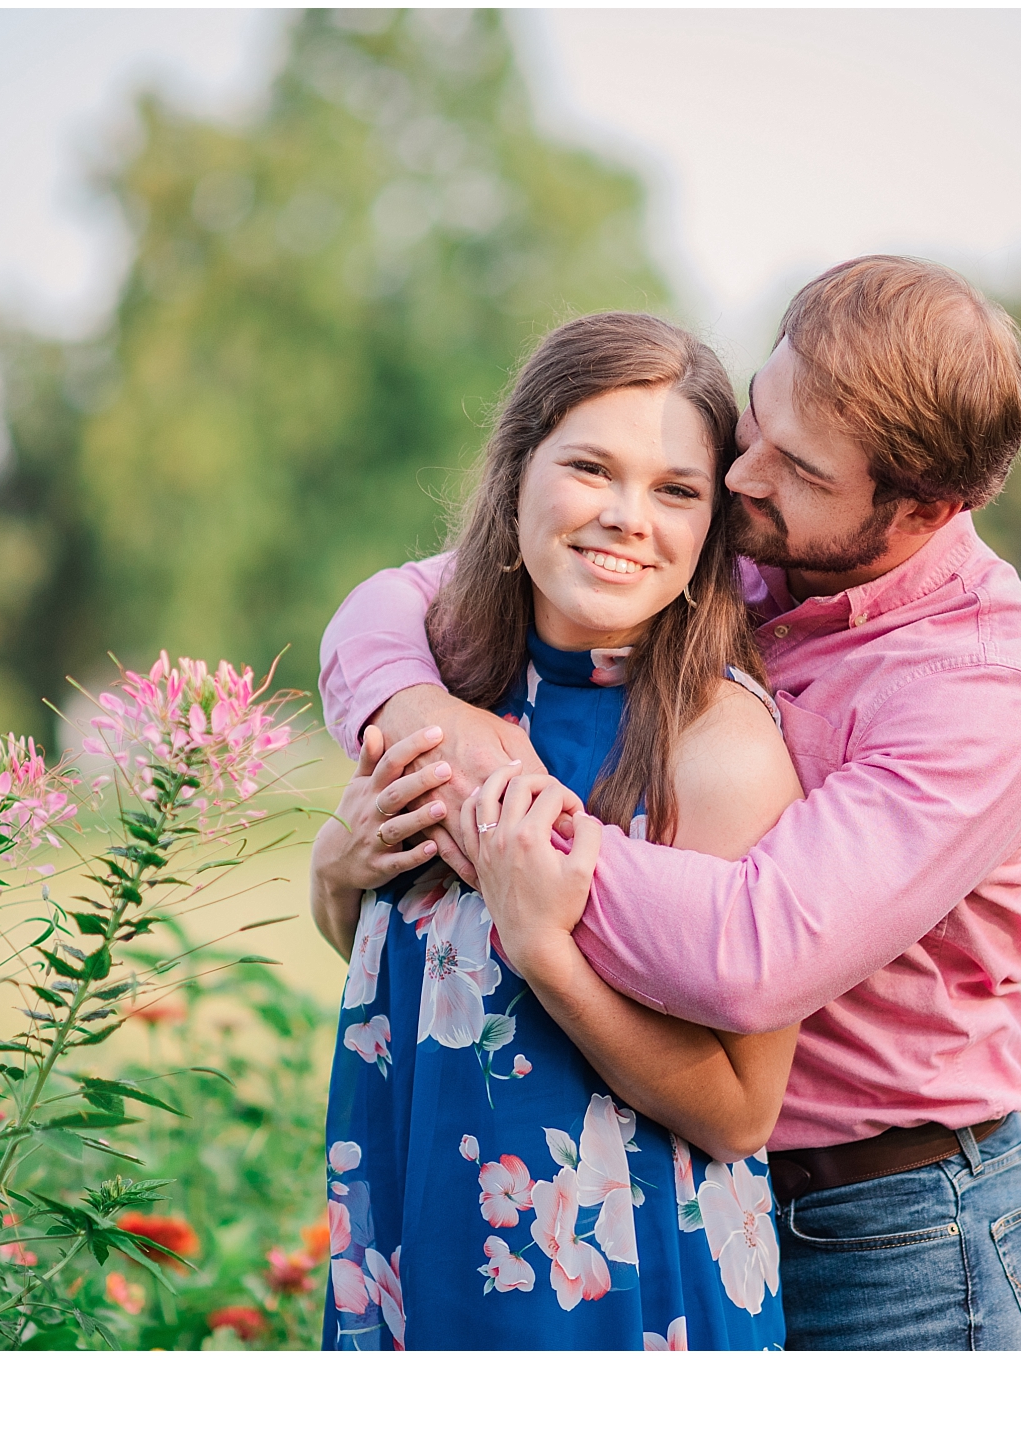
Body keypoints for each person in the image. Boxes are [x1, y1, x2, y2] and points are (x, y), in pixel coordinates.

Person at [318, 256, 1021, 1351]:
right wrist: (410, 708)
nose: (741, 474)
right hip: (673, 1174)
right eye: (756, 419)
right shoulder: (751, 543)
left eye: (797, 466)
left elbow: (749, 951)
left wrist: (497, 819)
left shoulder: (981, 696)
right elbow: (403, 595)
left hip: (899, 1225)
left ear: (922, 508)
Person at [307, 312, 803, 1350]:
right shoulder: (440, 688)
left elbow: (739, 1111)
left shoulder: (718, 746)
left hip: (623, 1284)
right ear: (518, 466)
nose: (630, 517)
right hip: (421, 1231)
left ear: (713, 524)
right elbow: (411, 974)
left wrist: (548, 953)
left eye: (676, 490)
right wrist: (336, 868)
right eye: (592, 468)